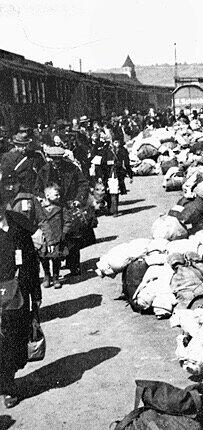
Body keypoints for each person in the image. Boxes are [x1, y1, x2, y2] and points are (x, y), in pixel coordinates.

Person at [0, 203, 41, 408]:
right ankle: (8, 388)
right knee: (3, 342)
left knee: (16, 339)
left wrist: (36, 292)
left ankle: (9, 379)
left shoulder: (18, 225)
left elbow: (32, 260)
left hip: (20, 292)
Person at [35, 146, 89, 278]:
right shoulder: (44, 171)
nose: (56, 162)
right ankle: (52, 271)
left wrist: (78, 199)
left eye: (59, 159)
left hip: (68, 205)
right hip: (51, 208)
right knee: (52, 237)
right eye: (53, 159)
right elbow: (37, 189)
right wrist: (45, 199)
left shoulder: (72, 168)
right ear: (49, 158)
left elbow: (83, 184)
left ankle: (74, 265)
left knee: (72, 236)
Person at [39, 184, 71, 289]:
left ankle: (56, 277)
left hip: (57, 237)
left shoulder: (61, 207)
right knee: (44, 258)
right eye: (56, 195)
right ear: (47, 196)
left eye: (59, 195)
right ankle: (47, 275)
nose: (59, 197)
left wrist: (64, 233)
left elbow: (68, 221)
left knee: (56, 258)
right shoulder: (40, 208)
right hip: (44, 238)